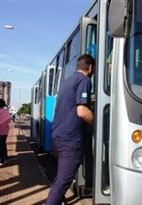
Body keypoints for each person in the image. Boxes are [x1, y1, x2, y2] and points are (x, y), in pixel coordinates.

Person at [45, 54, 95, 205]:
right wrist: (97, 123)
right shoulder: (84, 80)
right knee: (63, 180)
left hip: (58, 135)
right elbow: (81, 111)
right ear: (91, 67)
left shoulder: (67, 81)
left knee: (61, 177)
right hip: (70, 139)